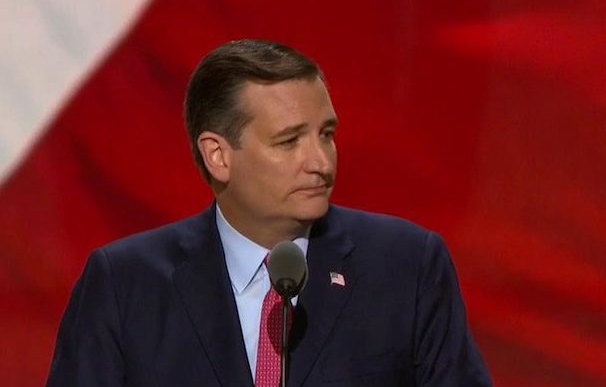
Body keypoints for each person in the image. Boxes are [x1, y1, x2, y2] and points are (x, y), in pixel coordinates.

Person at [47, 39, 492, 386]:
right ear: (219, 156)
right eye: (289, 141)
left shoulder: (406, 267)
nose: (322, 161)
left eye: (327, 134)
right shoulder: (126, 285)